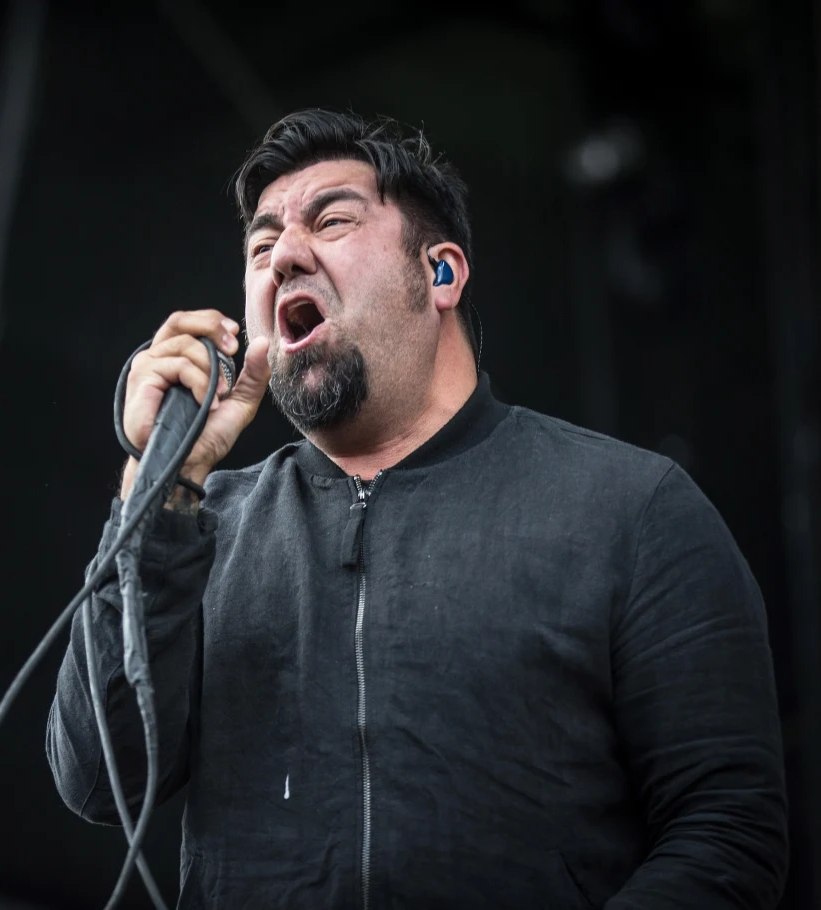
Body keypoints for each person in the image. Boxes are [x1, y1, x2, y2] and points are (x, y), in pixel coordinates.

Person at [45, 109, 789, 909]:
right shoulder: (204, 527)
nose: (284, 256)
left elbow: (727, 832)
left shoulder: (631, 508)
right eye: (261, 248)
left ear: (440, 274)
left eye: (331, 220)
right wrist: (158, 491)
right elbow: (97, 781)